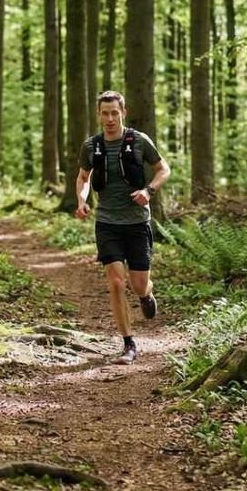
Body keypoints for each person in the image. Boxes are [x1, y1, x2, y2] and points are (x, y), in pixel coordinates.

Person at [75, 91, 171, 364]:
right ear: (98, 114)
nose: (109, 119)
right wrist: (82, 201)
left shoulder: (139, 141)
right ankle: (128, 344)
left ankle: (147, 294)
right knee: (116, 282)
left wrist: (149, 191)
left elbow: (163, 169)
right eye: (104, 113)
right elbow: (83, 177)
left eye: (114, 113)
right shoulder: (91, 146)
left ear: (123, 113)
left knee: (137, 284)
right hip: (107, 222)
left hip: (138, 222)